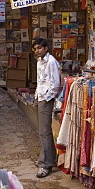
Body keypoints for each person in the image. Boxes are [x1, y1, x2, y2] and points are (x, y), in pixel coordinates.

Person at [32, 38, 61, 179]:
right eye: (35, 49)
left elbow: (55, 83)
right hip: (40, 96)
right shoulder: (40, 61)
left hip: (46, 98)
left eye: (39, 48)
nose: (37, 51)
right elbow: (40, 80)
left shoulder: (51, 62)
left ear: (46, 48)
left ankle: (46, 164)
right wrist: (37, 96)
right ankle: (46, 158)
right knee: (42, 131)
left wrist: (47, 97)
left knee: (44, 131)